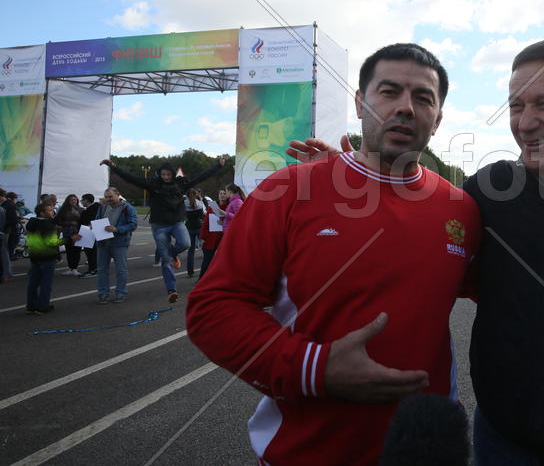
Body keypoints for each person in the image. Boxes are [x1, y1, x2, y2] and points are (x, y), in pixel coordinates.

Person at [288, 38, 544, 464]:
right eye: (515, 106)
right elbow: (419, 222)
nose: (526, 123)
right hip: (499, 440)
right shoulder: (489, 191)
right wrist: (357, 174)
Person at [187, 43, 481, 465]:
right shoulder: (286, 191)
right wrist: (314, 367)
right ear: (361, 103)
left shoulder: (461, 209)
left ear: (438, 119)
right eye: (389, 92)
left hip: (424, 450)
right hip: (304, 452)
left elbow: (506, 297)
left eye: (423, 98)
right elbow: (213, 309)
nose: (405, 108)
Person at [100, 157, 226, 303]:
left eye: (168, 175)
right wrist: (114, 167)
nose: (166, 177)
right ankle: (171, 290)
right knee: (165, 259)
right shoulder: (153, 184)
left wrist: (218, 166)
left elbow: (200, 176)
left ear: (173, 174)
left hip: (177, 222)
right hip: (159, 224)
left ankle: (172, 254)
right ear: (160, 174)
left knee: (185, 244)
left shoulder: (181, 183)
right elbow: (131, 179)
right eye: (163, 174)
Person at [25, 202, 77, 314]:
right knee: (46, 283)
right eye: (49, 210)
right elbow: (52, 242)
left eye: (52, 209)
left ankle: (31, 305)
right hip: (47, 256)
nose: (52, 211)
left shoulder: (32, 223)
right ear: (42, 212)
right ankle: (43, 306)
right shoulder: (47, 225)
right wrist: (69, 239)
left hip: (34, 255)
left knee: (33, 282)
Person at [91, 187, 138, 303]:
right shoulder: (102, 208)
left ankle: (121, 292)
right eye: (106, 197)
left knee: (121, 270)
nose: (108, 199)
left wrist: (116, 229)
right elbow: (97, 220)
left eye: (110, 197)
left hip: (119, 243)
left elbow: (133, 225)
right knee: (102, 270)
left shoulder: (127, 208)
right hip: (102, 243)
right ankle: (103, 293)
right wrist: (92, 226)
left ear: (118, 195)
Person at [197, 188, 228, 280]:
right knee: (207, 260)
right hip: (210, 237)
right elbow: (206, 222)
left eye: (224, 193)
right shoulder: (213, 205)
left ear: (227, 195)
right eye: (220, 193)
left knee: (221, 261)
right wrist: (202, 237)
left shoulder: (230, 206)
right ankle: (201, 279)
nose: (222, 195)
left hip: (223, 237)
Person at [55, 194, 84, 276]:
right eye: (72, 199)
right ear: (68, 200)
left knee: (76, 250)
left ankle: (75, 268)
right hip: (67, 232)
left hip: (77, 232)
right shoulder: (63, 210)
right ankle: (70, 268)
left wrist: (77, 215)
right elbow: (58, 221)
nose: (73, 201)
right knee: (69, 250)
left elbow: (84, 220)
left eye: (75, 199)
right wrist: (69, 223)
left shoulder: (81, 209)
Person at [183, 188, 205, 279]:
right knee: (205, 249)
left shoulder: (184, 203)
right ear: (196, 194)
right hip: (199, 226)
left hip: (189, 227)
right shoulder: (199, 203)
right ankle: (206, 268)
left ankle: (190, 272)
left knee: (191, 251)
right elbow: (203, 214)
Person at [77, 193, 100, 278]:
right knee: (92, 252)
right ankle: (94, 268)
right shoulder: (96, 208)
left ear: (86, 200)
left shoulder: (90, 210)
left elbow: (85, 222)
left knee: (91, 252)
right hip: (91, 233)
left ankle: (93, 269)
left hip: (89, 233)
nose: (81, 202)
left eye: (82, 200)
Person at [0, 188, 12, 282]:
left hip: (3, 232)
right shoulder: (4, 206)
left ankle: (6, 274)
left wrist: (4, 229)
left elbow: (12, 220)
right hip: (4, 232)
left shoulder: (7, 206)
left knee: (3, 253)